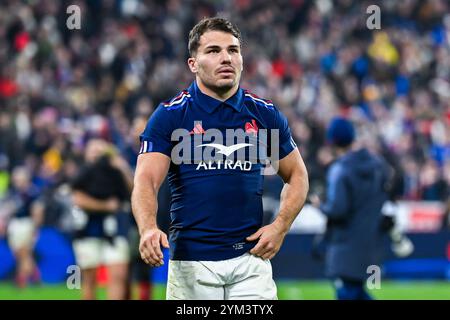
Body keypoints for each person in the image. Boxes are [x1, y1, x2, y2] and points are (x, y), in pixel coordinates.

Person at [132, 17, 309, 300]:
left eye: (233, 50)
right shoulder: (171, 116)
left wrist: (280, 226)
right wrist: (148, 228)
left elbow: (297, 175)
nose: (226, 58)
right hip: (192, 264)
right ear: (193, 64)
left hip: (250, 261)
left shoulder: (264, 114)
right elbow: (145, 180)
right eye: (213, 51)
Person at [310, 117, 389, 300]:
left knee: (347, 293)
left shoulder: (341, 170)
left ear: (333, 141)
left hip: (345, 247)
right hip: (371, 246)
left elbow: (338, 210)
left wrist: (320, 206)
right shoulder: (378, 166)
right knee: (358, 293)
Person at [71, 138, 133, 300]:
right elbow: (78, 198)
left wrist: (121, 166)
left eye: (101, 153)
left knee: (118, 276)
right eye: (94, 152)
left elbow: (134, 191)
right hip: (88, 230)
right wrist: (105, 206)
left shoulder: (116, 173)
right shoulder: (83, 173)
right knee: (89, 279)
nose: (98, 157)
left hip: (115, 229)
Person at [4, 166, 41, 287]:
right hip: (14, 224)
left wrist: (35, 227)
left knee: (24, 252)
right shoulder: (14, 192)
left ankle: (21, 281)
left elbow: (37, 211)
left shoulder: (32, 192)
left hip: (26, 223)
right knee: (19, 253)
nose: (17, 181)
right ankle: (35, 276)